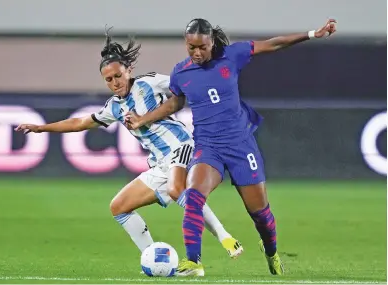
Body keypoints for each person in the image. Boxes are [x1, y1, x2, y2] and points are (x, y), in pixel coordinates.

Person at [125, 18, 337, 276]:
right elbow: (174, 103)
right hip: (208, 147)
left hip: (240, 146)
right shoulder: (181, 73)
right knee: (193, 196)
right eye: (192, 47)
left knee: (260, 214)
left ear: (212, 41)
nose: (197, 52)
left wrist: (313, 34)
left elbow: (273, 44)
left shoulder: (232, 55)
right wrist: (142, 120)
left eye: (202, 46)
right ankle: (193, 262)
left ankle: (271, 252)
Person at [14, 30, 244, 265]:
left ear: (128, 70)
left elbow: (182, 90)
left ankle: (225, 237)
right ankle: (155, 259)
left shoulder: (150, 82)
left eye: (118, 76)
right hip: (159, 163)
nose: (115, 83)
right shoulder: (113, 108)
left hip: (180, 145)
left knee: (177, 190)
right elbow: (80, 122)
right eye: (109, 80)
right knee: (119, 207)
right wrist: (42, 128)